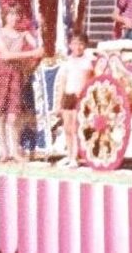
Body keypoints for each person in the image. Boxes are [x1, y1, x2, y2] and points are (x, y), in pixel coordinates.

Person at [0, 3, 44, 162]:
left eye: (17, 14)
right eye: (11, 14)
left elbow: (40, 50)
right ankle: (4, 151)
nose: (14, 18)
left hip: (16, 75)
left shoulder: (23, 34)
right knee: (0, 116)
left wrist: (37, 34)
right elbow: (6, 55)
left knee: (13, 117)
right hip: (2, 74)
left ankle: (16, 151)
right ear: (5, 16)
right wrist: (31, 53)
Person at [54, 32, 96, 167]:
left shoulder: (86, 62)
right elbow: (63, 82)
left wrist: (81, 94)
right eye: (75, 44)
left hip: (79, 96)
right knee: (67, 127)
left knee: (75, 128)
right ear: (70, 45)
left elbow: (85, 79)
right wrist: (58, 102)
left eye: (81, 44)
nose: (77, 47)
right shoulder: (67, 61)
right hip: (68, 95)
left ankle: (74, 157)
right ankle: (69, 154)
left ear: (85, 46)